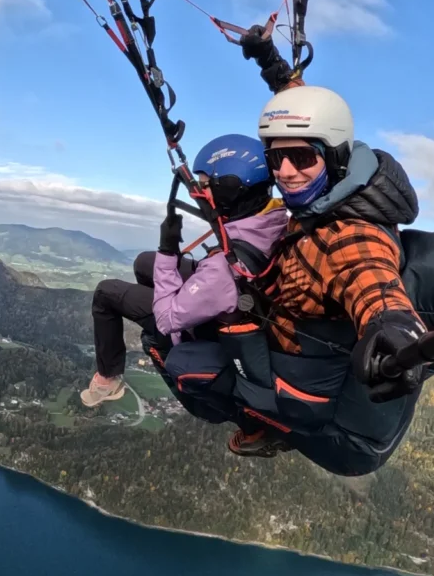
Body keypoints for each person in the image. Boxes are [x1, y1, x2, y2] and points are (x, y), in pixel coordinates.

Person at [163, 77, 434, 475]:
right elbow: (312, 124)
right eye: (276, 160)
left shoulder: (347, 233)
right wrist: (276, 72)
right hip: (291, 334)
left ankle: (260, 425)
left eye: (301, 158)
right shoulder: (342, 193)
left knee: (181, 360)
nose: (286, 173)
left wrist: (391, 324)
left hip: (301, 386)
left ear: (334, 158)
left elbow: (369, 277)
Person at [81, 133, 288, 407]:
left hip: (204, 321)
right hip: (238, 286)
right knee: (144, 263)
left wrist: (168, 251)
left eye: (206, 186)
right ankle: (169, 296)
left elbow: (167, 320)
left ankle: (108, 378)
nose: (200, 194)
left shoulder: (220, 271)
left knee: (106, 293)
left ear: (230, 189)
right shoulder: (272, 218)